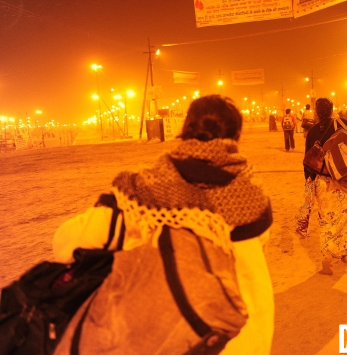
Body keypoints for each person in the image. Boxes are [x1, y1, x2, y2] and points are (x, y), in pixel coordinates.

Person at [52, 95, 274, 355]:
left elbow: (66, 242)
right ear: (236, 136)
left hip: (167, 339)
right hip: (245, 338)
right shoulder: (252, 197)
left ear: (185, 129)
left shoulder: (140, 194)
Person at [300, 98, 347, 275]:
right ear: (331, 110)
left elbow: (307, 160)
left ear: (316, 112)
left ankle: (327, 256)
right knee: (346, 217)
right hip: (344, 179)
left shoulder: (313, 131)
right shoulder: (341, 123)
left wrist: (309, 181)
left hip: (322, 182)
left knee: (326, 219)